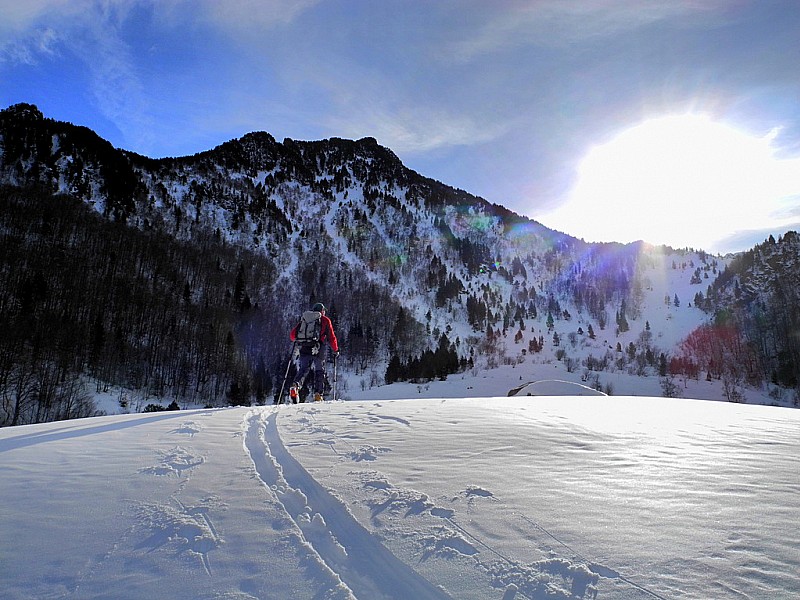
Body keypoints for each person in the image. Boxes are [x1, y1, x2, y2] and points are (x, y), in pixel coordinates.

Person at [289, 302, 339, 402]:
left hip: (304, 347)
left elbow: (292, 335)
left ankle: (295, 386)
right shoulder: (325, 320)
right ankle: (318, 394)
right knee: (319, 371)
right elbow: (331, 337)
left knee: (303, 369)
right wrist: (336, 349)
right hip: (318, 349)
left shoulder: (305, 319)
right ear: (322, 311)